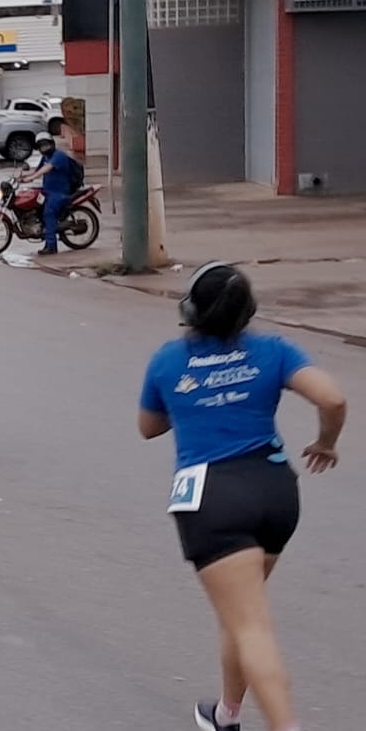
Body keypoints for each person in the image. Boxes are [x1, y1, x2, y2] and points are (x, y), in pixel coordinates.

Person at [137, 262, 346, 731]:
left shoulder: (168, 360)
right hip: (275, 493)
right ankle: (226, 714)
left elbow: (148, 427)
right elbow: (332, 398)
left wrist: (194, 403)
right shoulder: (274, 350)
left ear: (190, 311)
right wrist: (326, 443)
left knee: (251, 625)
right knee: (242, 613)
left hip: (213, 500)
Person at [18, 131, 76, 256]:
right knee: (32, 200)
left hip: (59, 193)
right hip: (47, 190)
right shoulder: (45, 157)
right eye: (41, 146)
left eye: (46, 145)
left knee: (48, 213)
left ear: (52, 144)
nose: (44, 148)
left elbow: (46, 169)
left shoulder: (59, 156)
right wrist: (20, 176)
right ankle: (42, 233)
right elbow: (36, 170)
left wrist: (31, 178)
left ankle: (51, 246)